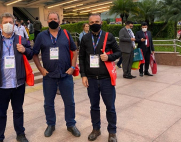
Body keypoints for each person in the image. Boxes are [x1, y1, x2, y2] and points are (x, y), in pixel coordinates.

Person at [0, 12, 32, 142]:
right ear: (0, 25)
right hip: (1, 86)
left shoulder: (21, 39)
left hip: (18, 84)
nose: (8, 25)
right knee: (0, 114)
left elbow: (31, 54)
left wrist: (25, 50)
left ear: (14, 24)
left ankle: (20, 134)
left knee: (18, 111)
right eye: (5, 23)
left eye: (11, 22)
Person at [33, 12, 80, 138]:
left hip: (65, 75)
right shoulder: (41, 36)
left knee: (69, 102)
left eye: (55, 19)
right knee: (48, 103)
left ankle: (71, 124)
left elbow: (74, 51)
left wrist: (72, 67)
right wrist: (40, 68)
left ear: (59, 21)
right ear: (47, 21)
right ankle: (50, 124)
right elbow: (34, 53)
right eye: (50, 19)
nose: (53, 21)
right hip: (49, 76)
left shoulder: (66, 34)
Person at [79, 14, 121, 142]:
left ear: (101, 22)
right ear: (88, 24)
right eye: (91, 22)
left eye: (96, 21)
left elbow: (118, 52)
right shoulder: (85, 38)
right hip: (91, 79)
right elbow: (81, 58)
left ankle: (112, 132)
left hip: (106, 79)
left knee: (110, 106)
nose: (94, 24)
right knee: (94, 106)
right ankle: (96, 129)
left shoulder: (109, 36)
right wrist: (83, 75)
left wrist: (109, 57)